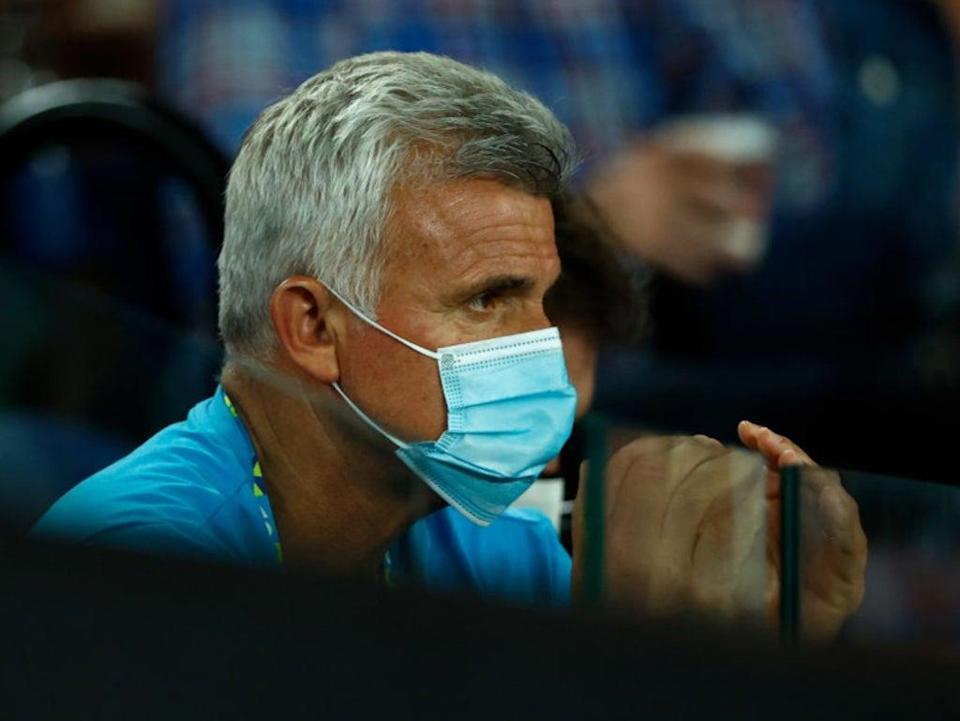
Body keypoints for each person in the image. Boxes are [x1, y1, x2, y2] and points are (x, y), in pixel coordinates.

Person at [31, 52, 865, 636]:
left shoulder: (480, 535)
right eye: (489, 299)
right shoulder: (136, 570)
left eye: (539, 298)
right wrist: (641, 640)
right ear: (314, 326)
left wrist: (763, 631)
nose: (539, 344)